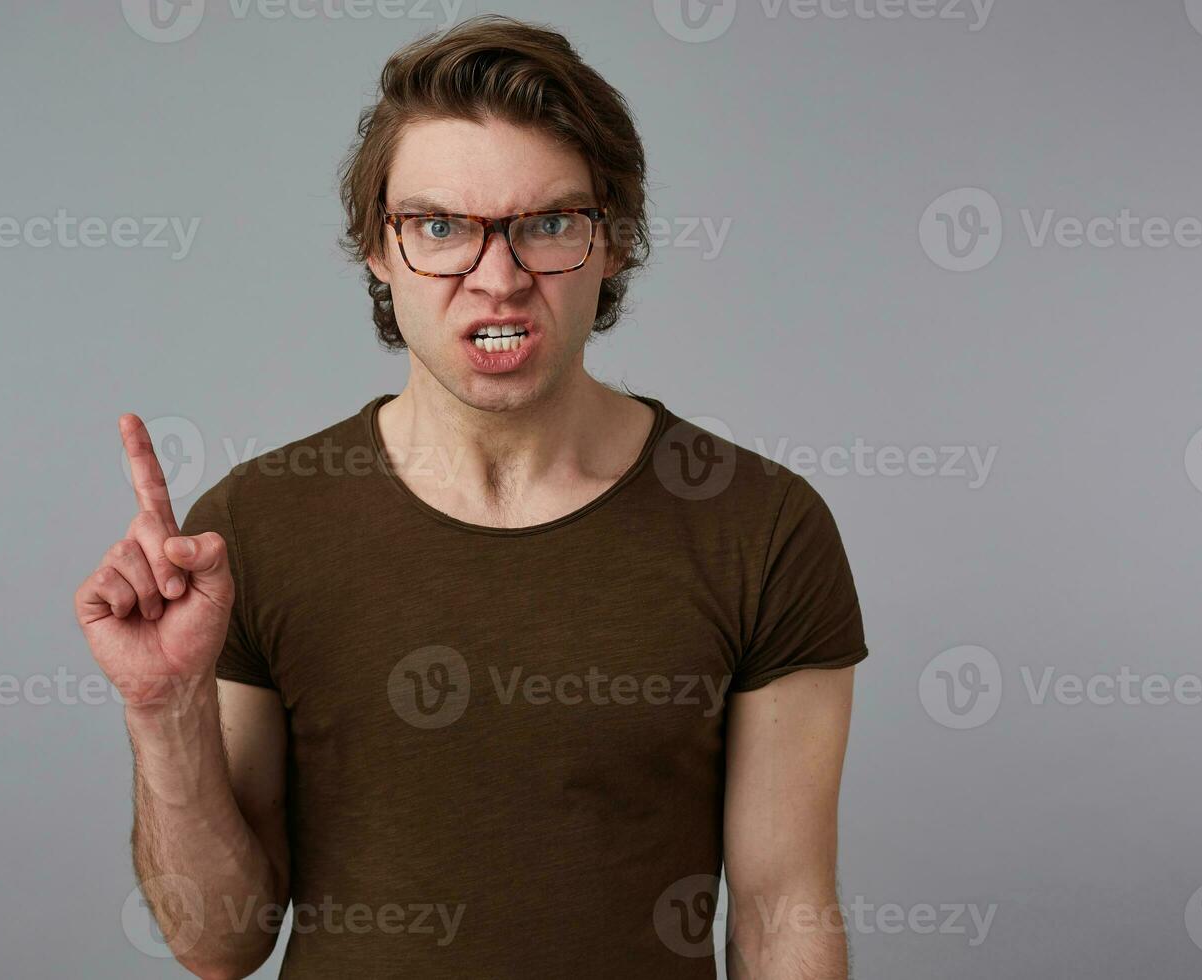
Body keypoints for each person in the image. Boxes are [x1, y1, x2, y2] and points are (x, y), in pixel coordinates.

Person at [74, 14, 868, 979]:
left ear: (612, 243)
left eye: (547, 224)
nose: (499, 280)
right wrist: (165, 710)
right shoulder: (250, 529)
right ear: (378, 248)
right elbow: (219, 943)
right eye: (441, 226)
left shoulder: (763, 528)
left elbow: (783, 915)